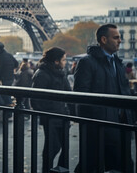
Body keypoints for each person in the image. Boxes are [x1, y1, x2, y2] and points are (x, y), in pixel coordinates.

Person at [73, 24, 134, 173]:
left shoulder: (117, 63)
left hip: (120, 124)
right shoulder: (87, 62)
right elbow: (81, 96)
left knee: (122, 164)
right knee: (94, 164)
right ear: (104, 39)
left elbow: (125, 93)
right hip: (100, 126)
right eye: (116, 37)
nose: (120, 40)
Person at [31, 47, 71, 172]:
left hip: (62, 115)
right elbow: (35, 100)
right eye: (63, 60)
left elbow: (69, 93)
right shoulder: (42, 74)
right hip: (51, 116)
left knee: (63, 147)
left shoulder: (60, 73)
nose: (65, 62)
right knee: (53, 147)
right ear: (56, 61)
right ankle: (48, 170)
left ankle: (59, 170)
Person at [0, 42, 18, 106]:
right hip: (10, 77)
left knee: (5, 95)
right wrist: (10, 69)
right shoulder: (9, 55)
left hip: (4, 78)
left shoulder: (1, 58)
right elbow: (16, 64)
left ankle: (8, 110)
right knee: (7, 94)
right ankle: (8, 108)